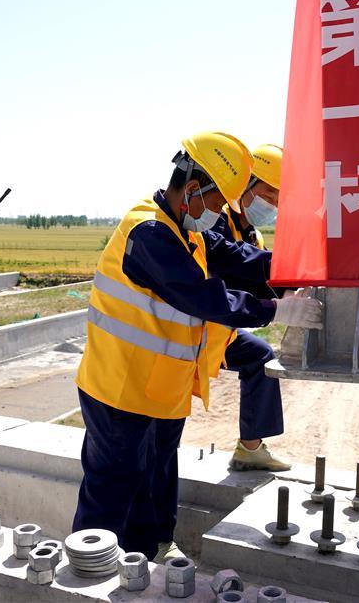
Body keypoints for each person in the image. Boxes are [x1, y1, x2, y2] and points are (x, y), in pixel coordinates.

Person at [72, 132, 322, 562]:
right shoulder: (148, 232)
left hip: (161, 388)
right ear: (191, 190)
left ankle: (151, 550)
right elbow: (201, 296)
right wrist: (276, 311)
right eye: (217, 203)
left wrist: (300, 265)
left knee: (159, 476)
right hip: (118, 389)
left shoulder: (187, 230)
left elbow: (241, 260)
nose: (221, 214)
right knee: (114, 486)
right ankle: (89, 571)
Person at [203, 143, 291, 471]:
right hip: (193, 324)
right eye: (269, 195)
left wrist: (293, 289)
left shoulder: (252, 232)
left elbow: (257, 280)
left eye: (279, 200)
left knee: (260, 358)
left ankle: (250, 448)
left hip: (217, 326)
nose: (273, 205)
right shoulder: (214, 219)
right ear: (245, 185)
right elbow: (232, 265)